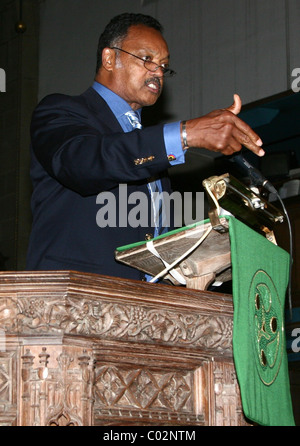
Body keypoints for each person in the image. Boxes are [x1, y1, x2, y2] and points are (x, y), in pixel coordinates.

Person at [26, 12, 264, 281]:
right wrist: (185, 134)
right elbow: (84, 164)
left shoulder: (152, 153)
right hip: (72, 297)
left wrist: (209, 255)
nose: (158, 72)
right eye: (147, 59)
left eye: (164, 65)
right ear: (109, 58)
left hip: (143, 306)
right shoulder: (61, 111)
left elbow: (154, 239)